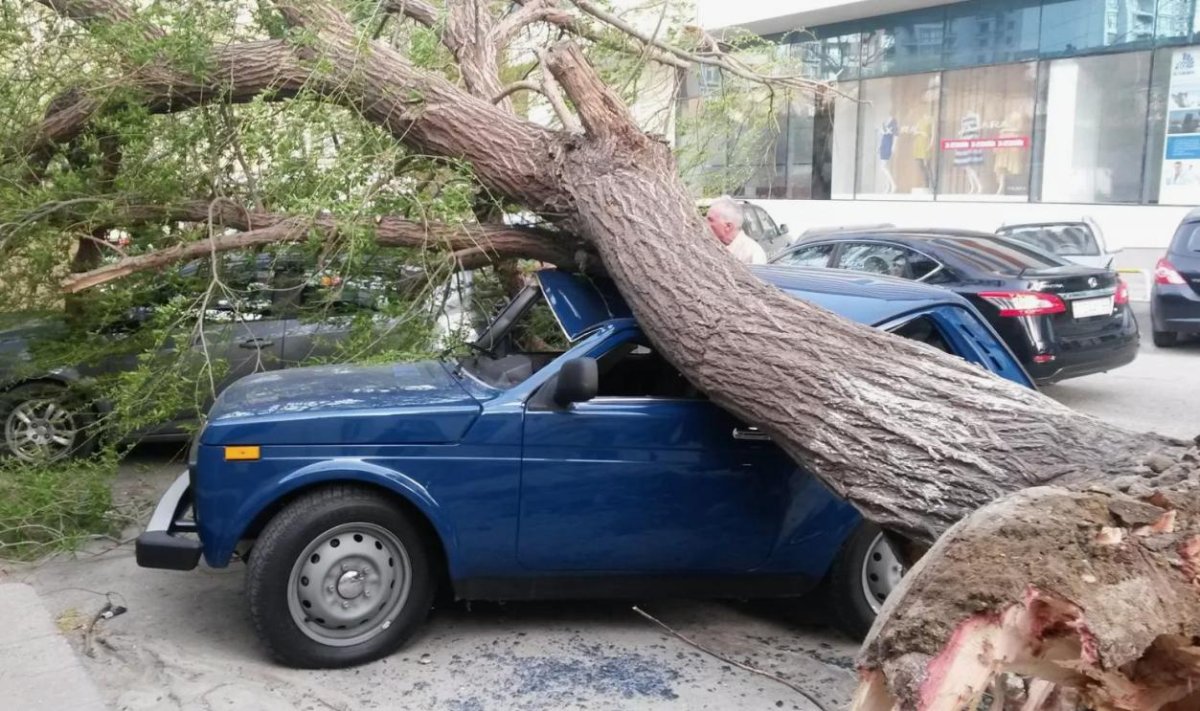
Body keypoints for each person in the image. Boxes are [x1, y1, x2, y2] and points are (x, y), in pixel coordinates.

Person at [706, 197, 766, 265]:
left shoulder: (752, 254)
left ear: (728, 226)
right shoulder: (706, 245)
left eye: (710, 220)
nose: (704, 222)